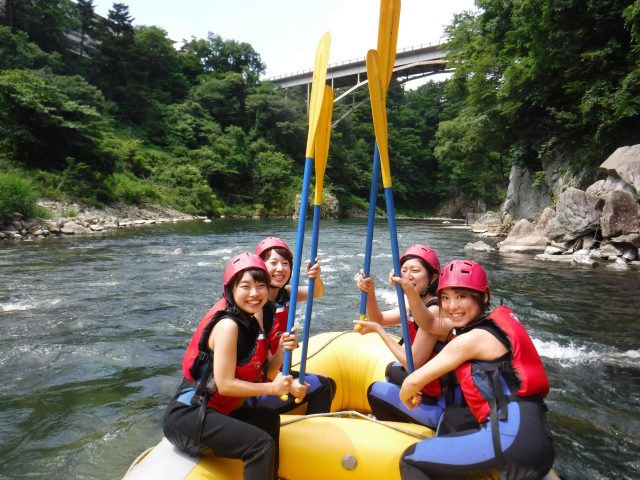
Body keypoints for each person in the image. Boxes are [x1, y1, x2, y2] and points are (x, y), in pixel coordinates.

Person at [399, 259, 554, 480]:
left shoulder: (472, 339)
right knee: (453, 419)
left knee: (412, 458)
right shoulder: (491, 326)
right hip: (538, 444)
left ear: (484, 297)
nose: (452, 306)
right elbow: (431, 325)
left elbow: (412, 382)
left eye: (461, 296)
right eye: (445, 298)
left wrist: (408, 397)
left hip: (511, 443)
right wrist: (410, 293)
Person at [163, 252, 296, 480]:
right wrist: (273, 389)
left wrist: (283, 347)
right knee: (260, 444)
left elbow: (267, 372)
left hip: (216, 412)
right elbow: (225, 385)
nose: (254, 294)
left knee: (268, 419)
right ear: (231, 290)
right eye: (245, 286)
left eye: (261, 286)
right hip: (188, 418)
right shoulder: (228, 326)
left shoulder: (252, 321)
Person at [353, 244, 455, 428]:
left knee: (375, 391)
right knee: (391, 371)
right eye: (404, 270)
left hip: (440, 399)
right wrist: (369, 292)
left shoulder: (433, 311)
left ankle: (401, 431)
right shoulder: (415, 305)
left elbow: (413, 363)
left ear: (433, 277)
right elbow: (380, 318)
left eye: (415, 270)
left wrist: (379, 332)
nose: (408, 275)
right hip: (429, 384)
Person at [248, 236, 335, 414]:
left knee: (328, 384)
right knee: (323, 387)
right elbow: (260, 367)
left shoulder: (285, 293)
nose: (280, 269)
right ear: (261, 266)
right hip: (255, 385)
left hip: (271, 373)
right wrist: (289, 384)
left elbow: (316, 292)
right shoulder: (254, 307)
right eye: (273, 262)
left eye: (285, 263)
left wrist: (315, 277)